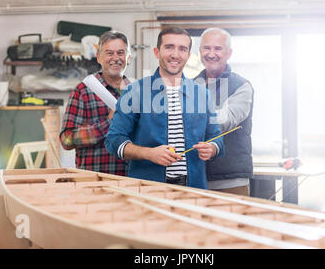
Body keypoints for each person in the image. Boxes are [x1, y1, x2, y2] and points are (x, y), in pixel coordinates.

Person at [105, 26, 224, 189]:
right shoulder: (135, 91)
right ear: (156, 52)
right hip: (148, 189)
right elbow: (113, 141)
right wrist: (149, 153)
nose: (175, 54)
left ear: (188, 56)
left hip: (194, 189)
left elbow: (217, 138)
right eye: (169, 47)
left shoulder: (202, 94)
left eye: (182, 49)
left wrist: (212, 148)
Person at [59, 31, 132, 175]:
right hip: (95, 181)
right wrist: (109, 123)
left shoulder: (136, 92)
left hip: (130, 180)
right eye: (109, 53)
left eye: (121, 53)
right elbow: (66, 140)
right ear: (98, 57)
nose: (116, 58)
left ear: (128, 57)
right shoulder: (83, 91)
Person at [194, 28, 254, 196]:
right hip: (196, 179)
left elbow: (223, 121)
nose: (211, 54)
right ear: (200, 51)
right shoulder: (190, 86)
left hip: (230, 182)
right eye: (206, 48)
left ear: (229, 53)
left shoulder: (241, 86)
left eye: (218, 49)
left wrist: (185, 120)